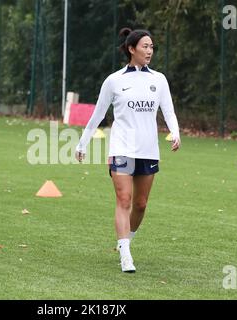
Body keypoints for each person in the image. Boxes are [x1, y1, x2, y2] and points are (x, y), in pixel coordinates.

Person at [75, 28, 181, 273]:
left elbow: (169, 111)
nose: (149, 51)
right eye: (145, 46)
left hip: (148, 150)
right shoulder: (114, 80)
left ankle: (126, 242)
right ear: (131, 49)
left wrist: (175, 132)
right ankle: (125, 255)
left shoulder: (159, 79)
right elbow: (98, 114)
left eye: (152, 47)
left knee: (141, 204)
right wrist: (83, 143)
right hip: (121, 148)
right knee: (124, 199)